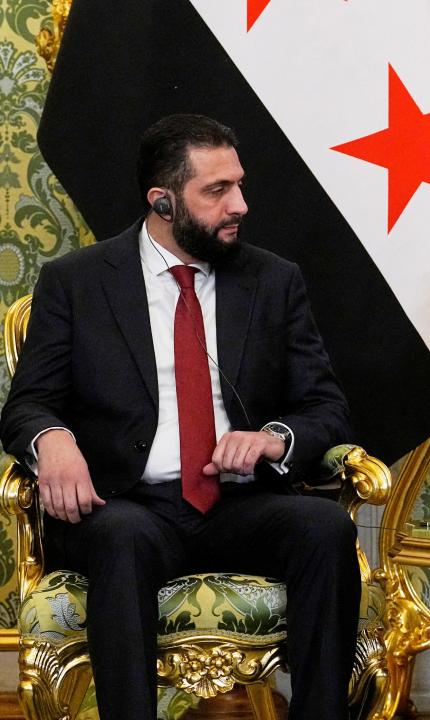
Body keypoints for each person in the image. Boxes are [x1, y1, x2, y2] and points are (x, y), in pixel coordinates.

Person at [0, 114, 359, 719]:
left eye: (239, 185)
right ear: (162, 200)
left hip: (239, 504)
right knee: (122, 537)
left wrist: (274, 439)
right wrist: (52, 438)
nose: (239, 205)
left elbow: (327, 406)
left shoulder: (273, 281)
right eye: (217, 191)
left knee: (325, 528)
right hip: (127, 502)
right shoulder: (78, 283)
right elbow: (27, 404)